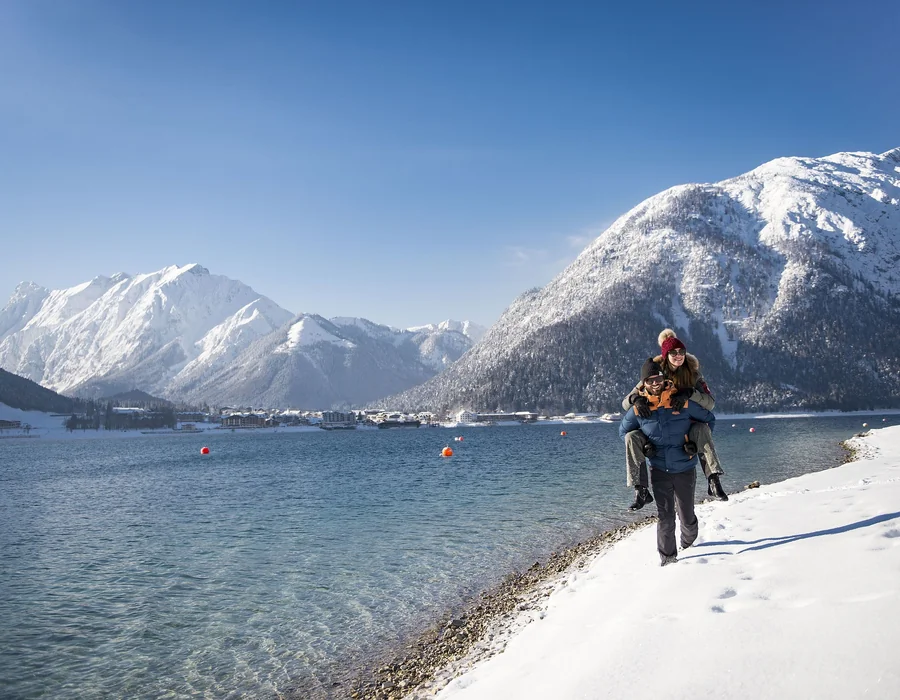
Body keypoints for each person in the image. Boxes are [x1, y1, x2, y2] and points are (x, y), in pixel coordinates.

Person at [620, 359, 716, 565]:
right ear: (643, 383)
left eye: (658, 378)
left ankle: (688, 542)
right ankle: (668, 558)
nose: (655, 383)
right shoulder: (638, 408)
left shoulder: (681, 401)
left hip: (685, 467)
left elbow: (709, 421)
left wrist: (694, 444)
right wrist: (645, 445)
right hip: (659, 470)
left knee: (686, 516)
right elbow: (624, 434)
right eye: (650, 380)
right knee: (665, 517)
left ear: (664, 379)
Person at [621, 328, 728, 506]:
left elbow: (710, 404)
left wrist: (690, 393)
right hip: (659, 428)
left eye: (681, 352)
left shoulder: (693, 373)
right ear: (665, 355)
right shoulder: (654, 373)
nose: (678, 356)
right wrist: (636, 400)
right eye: (673, 353)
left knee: (702, 429)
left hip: (687, 425)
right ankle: (640, 490)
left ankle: (713, 480)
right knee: (631, 437)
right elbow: (626, 403)